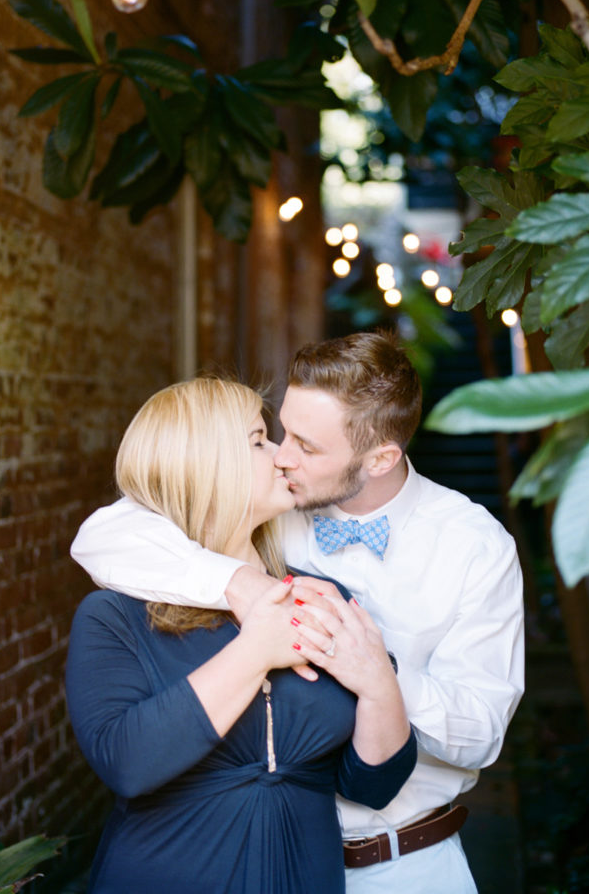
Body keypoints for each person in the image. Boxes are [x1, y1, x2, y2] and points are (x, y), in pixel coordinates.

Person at [71, 332, 525, 894]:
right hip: (264, 862)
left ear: (380, 458)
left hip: (407, 861)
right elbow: (107, 535)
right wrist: (239, 583)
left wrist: (378, 674)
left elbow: (478, 732)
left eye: (307, 446)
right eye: (276, 433)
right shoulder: (275, 508)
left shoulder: (474, 546)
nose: (284, 455)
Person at [65, 376, 417, 894]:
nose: (281, 456)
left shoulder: (323, 598)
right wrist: (255, 650)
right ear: (203, 465)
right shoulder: (112, 617)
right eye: (258, 440)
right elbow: (128, 765)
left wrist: (379, 685)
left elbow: (374, 784)